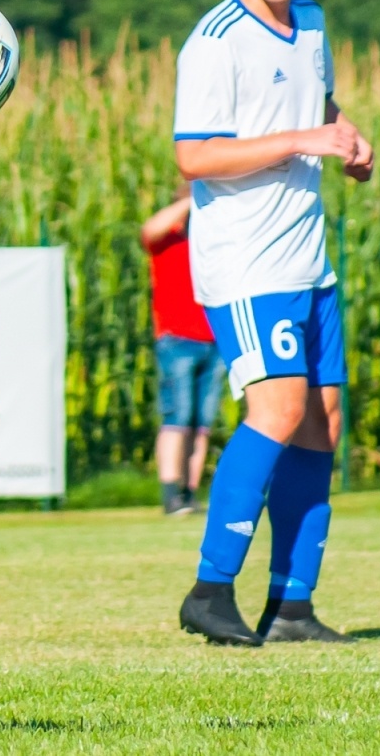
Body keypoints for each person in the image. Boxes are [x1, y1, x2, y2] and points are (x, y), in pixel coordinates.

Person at [171, 0, 375, 647]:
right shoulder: (214, 42)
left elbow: (319, 103)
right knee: (279, 410)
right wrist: (301, 139)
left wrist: (345, 138)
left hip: (307, 258)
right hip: (246, 262)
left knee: (320, 428)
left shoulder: (312, 20)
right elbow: (195, 156)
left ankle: (292, 606)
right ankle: (210, 588)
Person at [140, 186, 227, 516]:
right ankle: (170, 492)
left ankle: (190, 492)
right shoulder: (169, 240)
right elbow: (149, 229)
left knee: (201, 423)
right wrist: (194, 195)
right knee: (178, 416)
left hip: (214, 341)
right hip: (178, 341)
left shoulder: (214, 243)